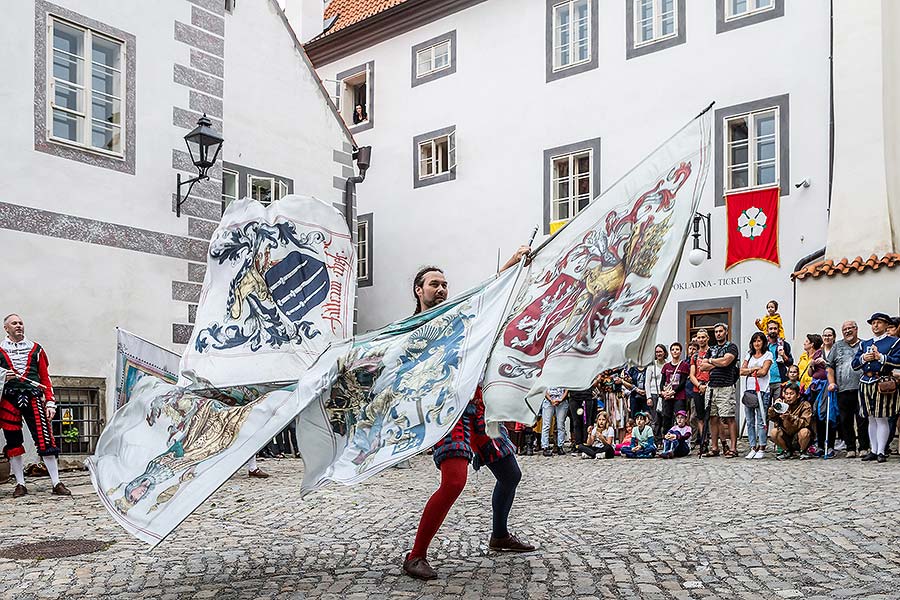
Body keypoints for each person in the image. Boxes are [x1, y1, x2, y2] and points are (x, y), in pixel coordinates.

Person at [404, 251, 535, 581]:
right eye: (435, 284)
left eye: (445, 284)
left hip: (477, 408)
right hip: (446, 411)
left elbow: (485, 297)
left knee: (510, 473)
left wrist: (512, 266)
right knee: (453, 482)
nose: (442, 289)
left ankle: (499, 536)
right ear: (419, 290)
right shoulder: (411, 328)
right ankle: (415, 556)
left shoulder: (456, 316)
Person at [0, 314, 70, 496]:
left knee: (45, 439)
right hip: (9, 399)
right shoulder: (0, 350)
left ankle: (56, 483)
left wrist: (50, 402)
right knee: (13, 442)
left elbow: (45, 378)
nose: (19, 326)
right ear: (6, 328)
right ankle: (20, 484)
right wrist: (2, 377)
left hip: (34, 398)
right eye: (14, 323)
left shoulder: (36, 349)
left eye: (21, 323)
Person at [851, 313, 900, 463]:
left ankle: (881, 451)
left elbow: (898, 361)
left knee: (881, 416)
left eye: (879, 323)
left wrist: (881, 357)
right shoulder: (865, 343)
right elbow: (854, 364)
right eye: (873, 323)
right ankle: (873, 449)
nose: (875, 325)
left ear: (886, 325)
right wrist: (863, 358)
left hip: (882, 381)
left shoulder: (894, 342)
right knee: (870, 417)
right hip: (866, 380)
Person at [827, 321, 868, 458]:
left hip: (861, 388)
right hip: (842, 390)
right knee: (845, 420)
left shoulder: (864, 344)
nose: (847, 331)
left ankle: (864, 447)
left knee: (862, 419)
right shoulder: (837, 346)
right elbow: (830, 366)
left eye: (850, 328)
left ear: (856, 329)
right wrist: (831, 383)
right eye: (845, 329)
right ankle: (850, 448)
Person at [699, 323, 739, 458]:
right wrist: (717, 362)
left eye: (720, 331)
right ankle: (714, 447)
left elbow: (726, 362)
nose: (718, 334)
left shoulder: (731, 347)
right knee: (712, 417)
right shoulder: (712, 349)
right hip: (711, 387)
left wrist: (712, 361)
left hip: (726, 386)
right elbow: (702, 367)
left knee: (729, 418)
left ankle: (733, 448)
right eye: (716, 332)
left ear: (726, 332)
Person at [740, 332, 773, 460]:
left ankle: (762, 446)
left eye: (759, 341)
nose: (757, 343)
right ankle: (752, 446)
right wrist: (753, 369)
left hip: (762, 390)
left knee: (761, 420)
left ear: (763, 342)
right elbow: (741, 371)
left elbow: (763, 372)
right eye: (755, 341)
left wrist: (750, 370)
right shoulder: (749, 355)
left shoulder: (768, 355)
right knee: (749, 421)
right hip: (749, 391)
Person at [768, 382, 814, 460]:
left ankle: (803, 451)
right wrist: (774, 407)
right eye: (786, 394)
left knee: (805, 432)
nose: (788, 396)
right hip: (785, 434)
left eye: (791, 394)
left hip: (798, 435)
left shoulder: (805, 405)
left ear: (798, 395)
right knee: (773, 432)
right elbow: (771, 417)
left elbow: (806, 422)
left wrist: (790, 417)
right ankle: (787, 451)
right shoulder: (782, 404)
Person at [660, 342, 690, 438]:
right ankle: (666, 438)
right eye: (673, 349)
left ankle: (680, 437)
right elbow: (663, 381)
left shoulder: (684, 365)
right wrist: (663, 392)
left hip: (679, 396)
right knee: (666, 417)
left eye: (677, 349)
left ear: (680, 351)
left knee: (680, 416)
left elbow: (683, 382)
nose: (675, 351)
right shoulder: (666, 366)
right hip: (667, 396)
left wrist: (674, 392)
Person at [689, 329, 711, 449]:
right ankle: (704, 442)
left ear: (707, 338)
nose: (701, 339)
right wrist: (699, 385)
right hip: (698, 388)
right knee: (700, 417)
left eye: (703, 337)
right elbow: (692, 374)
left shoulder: (712, 352)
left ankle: (714, 444)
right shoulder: (695, 356)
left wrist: (707, 386)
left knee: (712, 416)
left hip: (710, 386)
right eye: (699, 337)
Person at [766, 321, 793, 403]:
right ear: (767, 330)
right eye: (771, 328)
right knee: (764, 408)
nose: (773, 331)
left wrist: (784, 355)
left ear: (778, 330)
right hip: (765, 381)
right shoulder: (764, 345)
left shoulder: (784, 345)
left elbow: (790, 363)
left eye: (775, 328)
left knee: (778, 407)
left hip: (779, 382)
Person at [540, 387, 569, 456]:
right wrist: (550, 399)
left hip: (562, 401)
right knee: (546, 425)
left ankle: (560, 446)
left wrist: (561, 399)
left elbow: (567, 388)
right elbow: (543, 388)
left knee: (560, 425)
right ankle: (545, 447)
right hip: (548, 401)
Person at [646, 345, 667, 438]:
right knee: (655, 419)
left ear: (664, 353)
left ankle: (665, 438)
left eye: (660, 351)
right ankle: (656, 439)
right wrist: (648, 397)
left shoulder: (668, 364)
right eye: (657, 352)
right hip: (654, 394)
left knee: (665, 417)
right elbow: (647, 382)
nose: (658, 354)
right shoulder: (651, 365)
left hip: (664, 394)